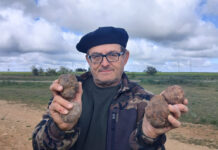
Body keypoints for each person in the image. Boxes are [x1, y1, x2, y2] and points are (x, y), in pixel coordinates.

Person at [32, 26, 188, 150]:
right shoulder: (67, 95)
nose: (105, 63)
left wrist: (148, 137)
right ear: (88, 59)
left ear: (125, 57)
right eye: (96, 56)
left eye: (113, 54)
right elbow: (38, 146)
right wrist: (60, 129)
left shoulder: (145, 102)